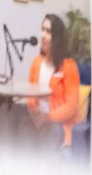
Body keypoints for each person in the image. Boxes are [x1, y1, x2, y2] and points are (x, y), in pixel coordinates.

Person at [18, 12, 82, 148]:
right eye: (42, 30)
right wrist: (35, 113)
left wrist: (46, 117)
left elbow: (72, 106)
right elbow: (31, 94)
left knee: (50, 136)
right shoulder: (36, 62)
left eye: (48, 31)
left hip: (57, 123)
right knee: (21, 129)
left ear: (57, 38)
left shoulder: (69, 66)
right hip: (36, 119)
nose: (43, 35)